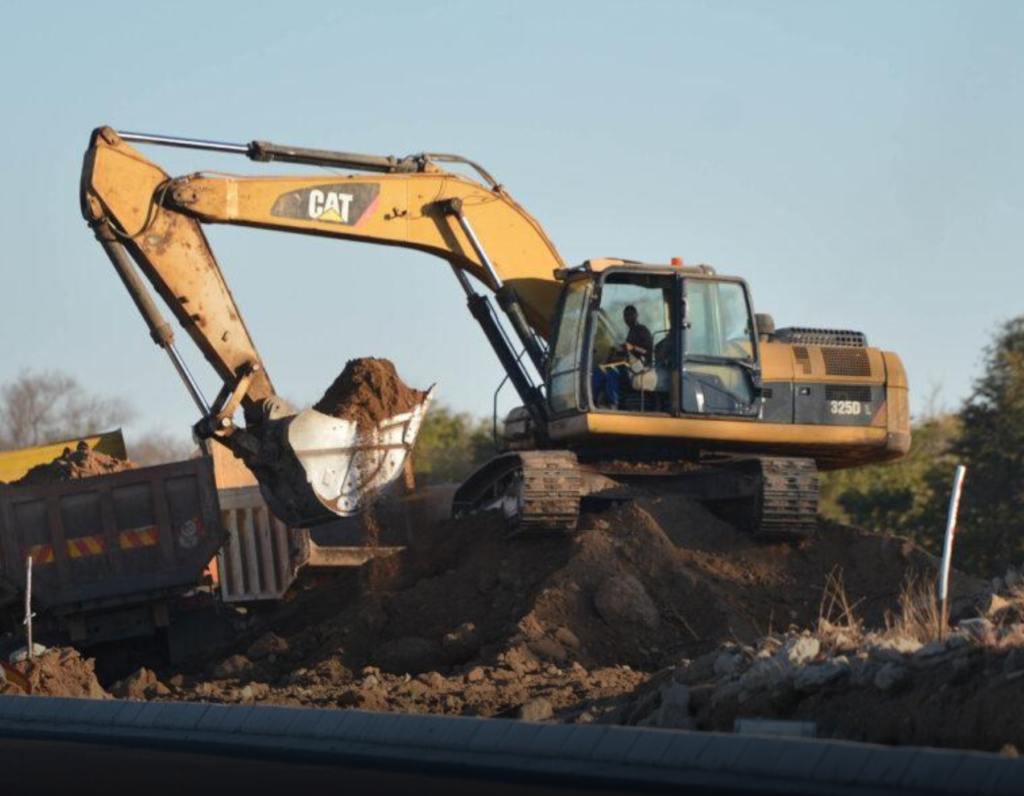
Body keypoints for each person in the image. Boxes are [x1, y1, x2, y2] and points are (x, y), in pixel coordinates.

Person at [592, 305, 654, 408]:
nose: (627, 318)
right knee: (598, 370)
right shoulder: (631, 331)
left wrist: (633, 348)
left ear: (636, 315)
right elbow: (627, 350)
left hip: (638, 367)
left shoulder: (642, 330)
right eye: (626, 316)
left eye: (630, 315)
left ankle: (613, 403)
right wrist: (617, 350)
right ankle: (593, 401)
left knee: (612, 372)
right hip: (627, 364)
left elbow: (648, 351)